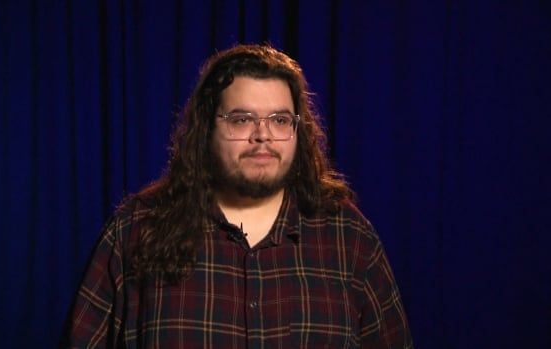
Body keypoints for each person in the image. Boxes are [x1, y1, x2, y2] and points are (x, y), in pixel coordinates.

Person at [62, 44, 413, 348]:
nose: (263, 136)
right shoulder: (137, 231)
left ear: (297, 130)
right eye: (242, 120)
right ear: (207, 129)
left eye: (279, 120)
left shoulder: (348, 239)